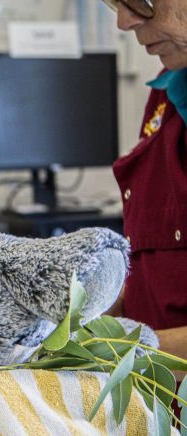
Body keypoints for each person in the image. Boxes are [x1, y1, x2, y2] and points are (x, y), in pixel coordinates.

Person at [103, 0, 187, 357]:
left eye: (142, 1)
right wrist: (109, 304)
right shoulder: (169, 90)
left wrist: (127, 355)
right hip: (157, 403)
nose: (125, 21)